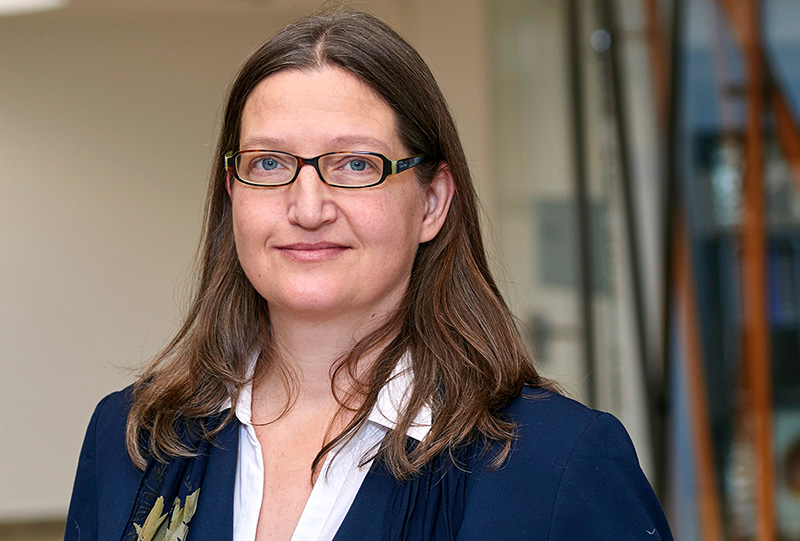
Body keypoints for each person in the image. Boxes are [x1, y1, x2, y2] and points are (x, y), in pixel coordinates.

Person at [65, 9, 672, 541]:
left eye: (356, 164)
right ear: (232, 195)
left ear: (432, 202)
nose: (308, 207)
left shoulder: (558, 462)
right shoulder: (133, 441)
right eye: (269, 163)